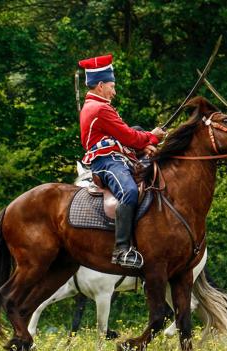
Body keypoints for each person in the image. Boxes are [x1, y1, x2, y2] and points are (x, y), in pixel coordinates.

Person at [78, 54, 166, 269]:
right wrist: (152, 137)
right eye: (112, 86)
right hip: (106, 162)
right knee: (130, 192)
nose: (114, 92)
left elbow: (128, 135)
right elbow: (129, 137)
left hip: (116, 157)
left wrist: (143, 143)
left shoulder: (98, 107)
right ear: (100, 85)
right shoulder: (100, 109)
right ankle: (121, 249)